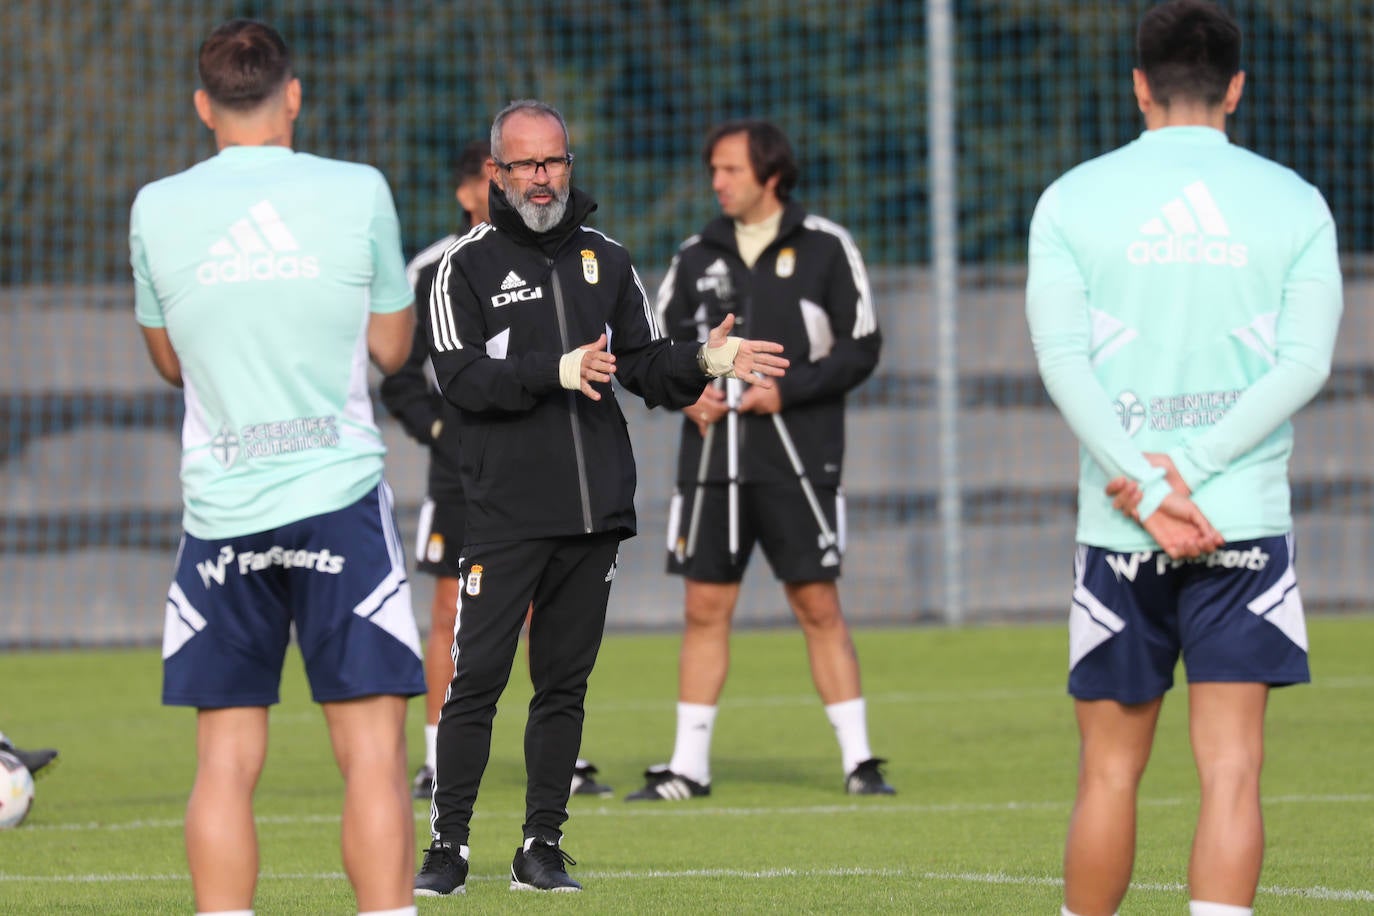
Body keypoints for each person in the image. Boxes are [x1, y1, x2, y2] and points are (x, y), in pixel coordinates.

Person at [412, 99, 788, 896]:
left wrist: (707, 362)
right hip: (506, 514)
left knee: (563, 686)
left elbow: (647, 364)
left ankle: (540, 846)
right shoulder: (462, 267)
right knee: (476, 679)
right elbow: (460, 377)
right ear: (495, 174)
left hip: (594, 516)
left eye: (554, 162)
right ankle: (448, 847)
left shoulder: (607, 261)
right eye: (526, 165)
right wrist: (555, 369)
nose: (542, 178)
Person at [1025, 3, 1343, 915]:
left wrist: (1148, 484)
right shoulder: (1294, 201)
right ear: (1237, 87)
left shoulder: (1073, 198)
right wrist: (1194, 471)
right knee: (1233, 771)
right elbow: (1306, 364)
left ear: (1139, 85)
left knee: (1109, 774)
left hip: (1119, 519)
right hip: (1239, 517)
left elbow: (1062, 360)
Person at [130, 19, 426, 916]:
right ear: (292, 95)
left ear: (202, 107)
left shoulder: (154, 206)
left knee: (224, 762)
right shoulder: (360, 190)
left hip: (222, 510)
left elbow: (171, 361)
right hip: (337, 500)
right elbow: (390, 349)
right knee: (371, 754)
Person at [625, 119, 891, 803]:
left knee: (817, 603)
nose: (717, 182)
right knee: (704, 607)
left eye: (731, 170)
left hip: (798, 461)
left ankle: (861, 763)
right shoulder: (692, 256)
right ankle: (688, 767)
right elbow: (649, 353)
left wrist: (789, 390)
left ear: (771, 175)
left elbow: (861, 346)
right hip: (712, 463)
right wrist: (687, 399)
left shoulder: (828, 248)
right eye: (714, 169)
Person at [381, 140, 612, 803]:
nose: (519, 186)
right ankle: (434, 757)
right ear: (469, 190)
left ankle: (562, 758)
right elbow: (401, 376)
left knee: (549, 607)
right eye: (498, 176)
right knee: (451, 608)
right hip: (463, 474)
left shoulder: (561, 256)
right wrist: (442, 435)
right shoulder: (432, 269)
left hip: (543, 467)